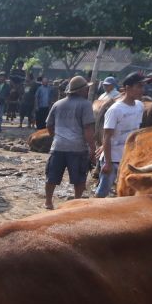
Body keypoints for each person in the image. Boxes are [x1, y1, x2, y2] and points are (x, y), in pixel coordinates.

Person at [43, 76, 97, 209]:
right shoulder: (85, 104)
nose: (87, 90)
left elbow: (49, 125)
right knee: (79, 178)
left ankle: (48, 202)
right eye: (86, 88)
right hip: (77, 148)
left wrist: (55, 137)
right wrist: (92, 148)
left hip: (58, 146)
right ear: (81, 90)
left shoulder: (58, 104)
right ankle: (76, 202)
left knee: (51, 176)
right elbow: (88, 129)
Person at [96, 71, 145, 198]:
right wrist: (107, 162)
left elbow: (137, 131)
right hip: (113, 159)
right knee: (103, 192)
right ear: (127, 88)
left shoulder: (140, 106)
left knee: (126, 192)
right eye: (139, 86)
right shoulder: (115, 110)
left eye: (142, 86)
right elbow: (106, 137)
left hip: (129, 158)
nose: (142, 90)